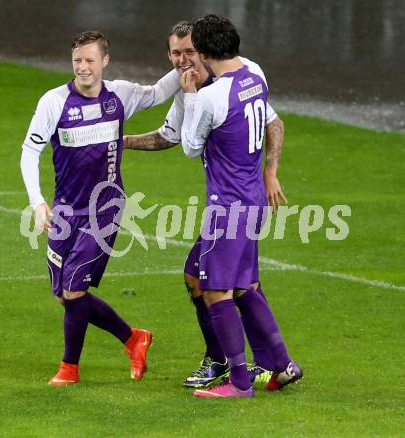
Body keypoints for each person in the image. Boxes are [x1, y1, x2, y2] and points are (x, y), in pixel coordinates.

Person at [124, 21, 286, 388]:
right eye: (175, 54)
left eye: (189, 52)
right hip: (243, 201)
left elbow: (271, 124)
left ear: (204, 52)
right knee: (216, 280)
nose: (183, 60)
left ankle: (235, 370)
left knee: (222, 286)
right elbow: (168, 135)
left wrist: (271, 169)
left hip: (231, 203)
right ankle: (274, 363)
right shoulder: (241, 78)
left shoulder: (218, 88)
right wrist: (122, 141)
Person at [20, 30, 181, 386]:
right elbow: (30, 151)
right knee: (64, 295)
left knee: (75, 288)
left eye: (90, 60)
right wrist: (37, 202)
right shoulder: (54, 101)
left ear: (105, 61)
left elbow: (156, 94)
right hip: (65, 210)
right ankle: (133, 338)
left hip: (104, 208)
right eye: (77, 60)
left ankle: (69, 369)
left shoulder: (120, 95)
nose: (83, 67)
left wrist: (182, 64)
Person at [180, 14, 302, 398]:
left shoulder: (212, 96)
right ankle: (282, 364)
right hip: (252, 200)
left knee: (216, 292)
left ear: (202, 52)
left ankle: (238, 382)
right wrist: (271, 169)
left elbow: (189, 147)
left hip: (226, 206)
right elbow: (271, 121)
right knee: (247, 286)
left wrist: (189, 96)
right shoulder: (255, 74)